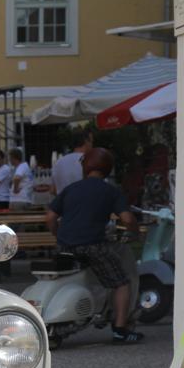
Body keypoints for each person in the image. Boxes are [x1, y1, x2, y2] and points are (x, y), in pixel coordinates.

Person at [46, 147, 143, 343]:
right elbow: (127, 218)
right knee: (121, 282)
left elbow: (50, 217)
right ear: (108, 169)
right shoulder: (110, 191)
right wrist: (134, 230)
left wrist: (58, 235)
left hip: (65, 247)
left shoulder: (71, 189)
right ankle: (120, 329)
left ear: (85, 167)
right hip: (92, 246)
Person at [52, 128, 92, 195]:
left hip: (64, 204)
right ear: (86, 142)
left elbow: (53, 190)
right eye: (91, 142)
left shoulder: (58, 163)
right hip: (83, 203)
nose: (92, 145)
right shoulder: (90, 160)